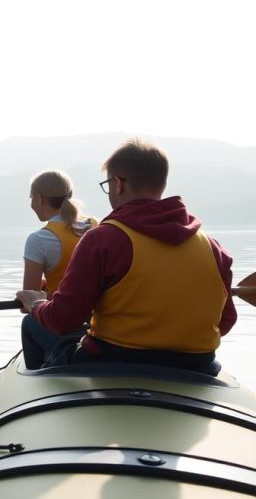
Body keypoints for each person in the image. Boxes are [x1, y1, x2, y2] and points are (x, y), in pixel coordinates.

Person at [16, 138, 236, 373]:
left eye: (108, 185)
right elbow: (225, 321)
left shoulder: (103, 239)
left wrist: (36, 304)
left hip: (112, 361)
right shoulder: (213, 247)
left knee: (32, 324)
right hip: (198, 365)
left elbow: (62, 320)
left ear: (118, 184)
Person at [22, 170, 97, 294]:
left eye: (31, 198)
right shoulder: (95, 224)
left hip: (63, 312)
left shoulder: (39, 239)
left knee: (29, 314)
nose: (31, 204)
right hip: (97, 312)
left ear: (39, 198)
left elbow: (29, 300)